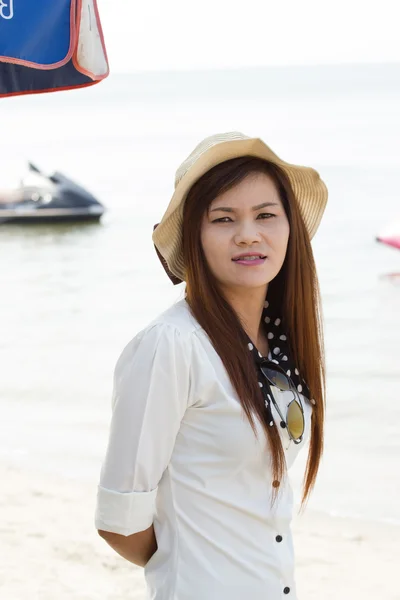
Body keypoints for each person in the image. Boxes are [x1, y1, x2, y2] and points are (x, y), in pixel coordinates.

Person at [95, 131, 328, 599]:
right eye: (224, 218)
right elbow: (120, 523)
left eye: (266, 215)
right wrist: (194, 561)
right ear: (196, 238)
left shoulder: (279, 342)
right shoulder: (171, 346)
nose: (248, 233)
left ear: (290, 228)